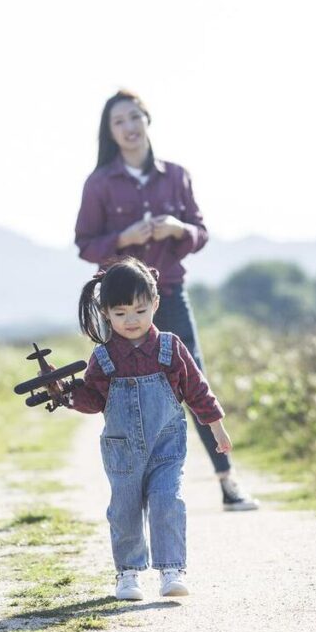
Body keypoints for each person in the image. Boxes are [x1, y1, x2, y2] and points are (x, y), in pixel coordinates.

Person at [74, 89, 259, 512]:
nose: (129, 127)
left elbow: (200, 233)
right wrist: (124, 239)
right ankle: (131, 487)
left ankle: (228, 481)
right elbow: (85, 244)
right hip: (119, 305)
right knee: (119, 388)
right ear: (109, 132)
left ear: (147, 120)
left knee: (192, 379)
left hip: (169, 295)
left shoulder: (176, 175)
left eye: (134, 117)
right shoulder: (99, 183)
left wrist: (177, 228)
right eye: (118, 121)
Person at [66, 257, 232, 600]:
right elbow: (93, 401)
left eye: (140, 311)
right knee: (124, 509)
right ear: (106, 311)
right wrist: (66, 394)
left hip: (166, 447)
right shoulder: (104, 357)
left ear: (155, 304)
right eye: (121, 312)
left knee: (166, 499)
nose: (131, 320)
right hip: (122, 450)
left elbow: (197, 391)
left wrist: (217, 428)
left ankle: (172, 570)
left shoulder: (171, 347)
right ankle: (128, 574)